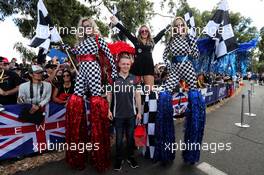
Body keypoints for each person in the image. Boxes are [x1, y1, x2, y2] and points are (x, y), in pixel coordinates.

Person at [64, 17, 117, 171]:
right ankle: (77, 154)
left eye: (89, 26)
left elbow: (109, 56)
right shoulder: (79, 43)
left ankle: (99, 153)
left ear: (92, 27)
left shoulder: (98, 40)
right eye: (84, 26)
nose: (86, 28)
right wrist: (65, 46)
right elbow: (73, 52)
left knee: (96, 101)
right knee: (75, 100)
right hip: (82, 70)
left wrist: (113, 73)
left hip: (93, 69)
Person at [156, 16, 206, 165]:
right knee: (164, 94)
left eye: (181, 25)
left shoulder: (190, 38)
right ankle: (165, 150)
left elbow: (196, 55)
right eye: (176, 26)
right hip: (175, 70)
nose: (179, 27)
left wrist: (191, 49)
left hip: (188, 68)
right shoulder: (171, 40)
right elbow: (165, 55)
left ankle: (192, 151)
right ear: (174, 27)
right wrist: (169, 66)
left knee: (195, 98)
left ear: (184, 26)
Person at [110, 16, 170, 90]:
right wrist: (117, 23)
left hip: (148, 68)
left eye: (146, 31)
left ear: (148, 32)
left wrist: (169, 27)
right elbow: (126, 32)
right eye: (142, 31)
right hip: (136, 69)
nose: (144, 32)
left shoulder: (152, 42)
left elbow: (160, 34)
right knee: (134, 92)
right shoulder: (136, 41)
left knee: (150, 92)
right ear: (140, 33)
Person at [107, 53, 142, 171]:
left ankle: (131, 157)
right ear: (119, 64)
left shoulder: (135, 78)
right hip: (118, 115)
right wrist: (108, 110)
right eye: (123, 64)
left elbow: (138, 96)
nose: (126, 66)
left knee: (131, 138)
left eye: (128, 64)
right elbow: (109, 94)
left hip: (131, 115)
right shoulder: (113, 78)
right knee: (119, 140)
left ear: (130, 65)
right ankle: (119, 159)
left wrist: (139, 112)